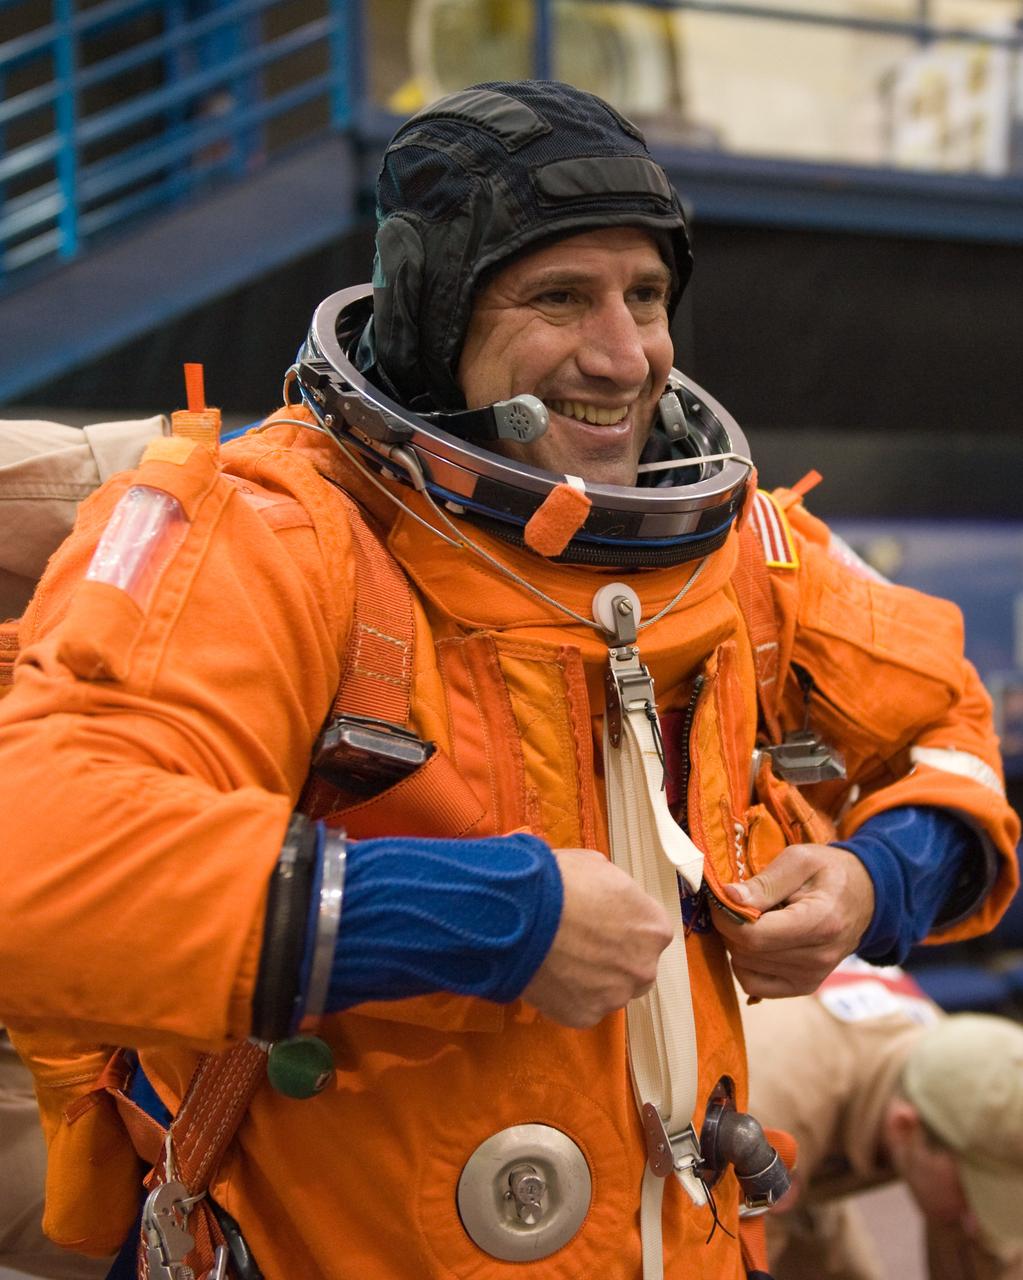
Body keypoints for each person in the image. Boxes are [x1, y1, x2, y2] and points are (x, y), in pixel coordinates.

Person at [0, 80, 1017, 1280]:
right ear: (436, 313)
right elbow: (46, 859)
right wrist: (497, 919)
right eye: (559, 297)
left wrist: (870, 878)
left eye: (646, 295)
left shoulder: (733, 549)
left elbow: (943, 722)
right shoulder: (279, 535)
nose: (624, 352)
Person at [742, 959, 1023, 1280]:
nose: (976, 1219)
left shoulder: (957, 1069)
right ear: (903, 1127)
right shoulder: (770, 1109)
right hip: (722, 1131)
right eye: (970, 1191)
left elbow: (994, 1249)